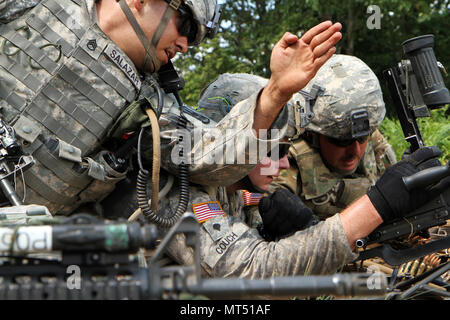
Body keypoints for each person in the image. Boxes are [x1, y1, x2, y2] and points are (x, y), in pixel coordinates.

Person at [0, 0, 342, 215]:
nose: (186, 45)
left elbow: (208, 158)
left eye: (194, 39)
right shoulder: (33, 6)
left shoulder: (148, 102)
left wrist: (275, 93)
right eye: (187, 26)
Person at [161, 74, 450, 278]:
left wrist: (299, 229)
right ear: (235, 142)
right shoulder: (179, 195)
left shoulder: (234, 192)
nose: (285, 163)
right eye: (274, 151)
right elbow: (249, 274)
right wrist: (377, 205)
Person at [271, 54, 398, 220]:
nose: (355, 150)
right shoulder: (284, 160)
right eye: (342, 141)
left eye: (362, 139)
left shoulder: (369, 136)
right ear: (313, 135)